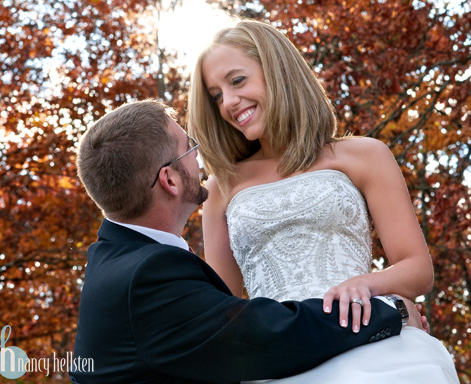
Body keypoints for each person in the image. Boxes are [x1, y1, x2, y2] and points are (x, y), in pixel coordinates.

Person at [70, 99, 425, 384]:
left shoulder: (118, 259)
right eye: (189, 149)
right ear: (170, 180)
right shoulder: (147, 274)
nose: (199, 157)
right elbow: (264, 337)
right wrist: (391, 311)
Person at [187, 19, 459, 383]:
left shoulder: (364, 155)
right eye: (217, 95)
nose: (229, 103)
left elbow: (417, 269)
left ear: (277, 71)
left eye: (237, 81)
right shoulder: (223, 187)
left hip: (370, 346)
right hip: (279, 361)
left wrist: (369, 285)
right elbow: (224, 310)